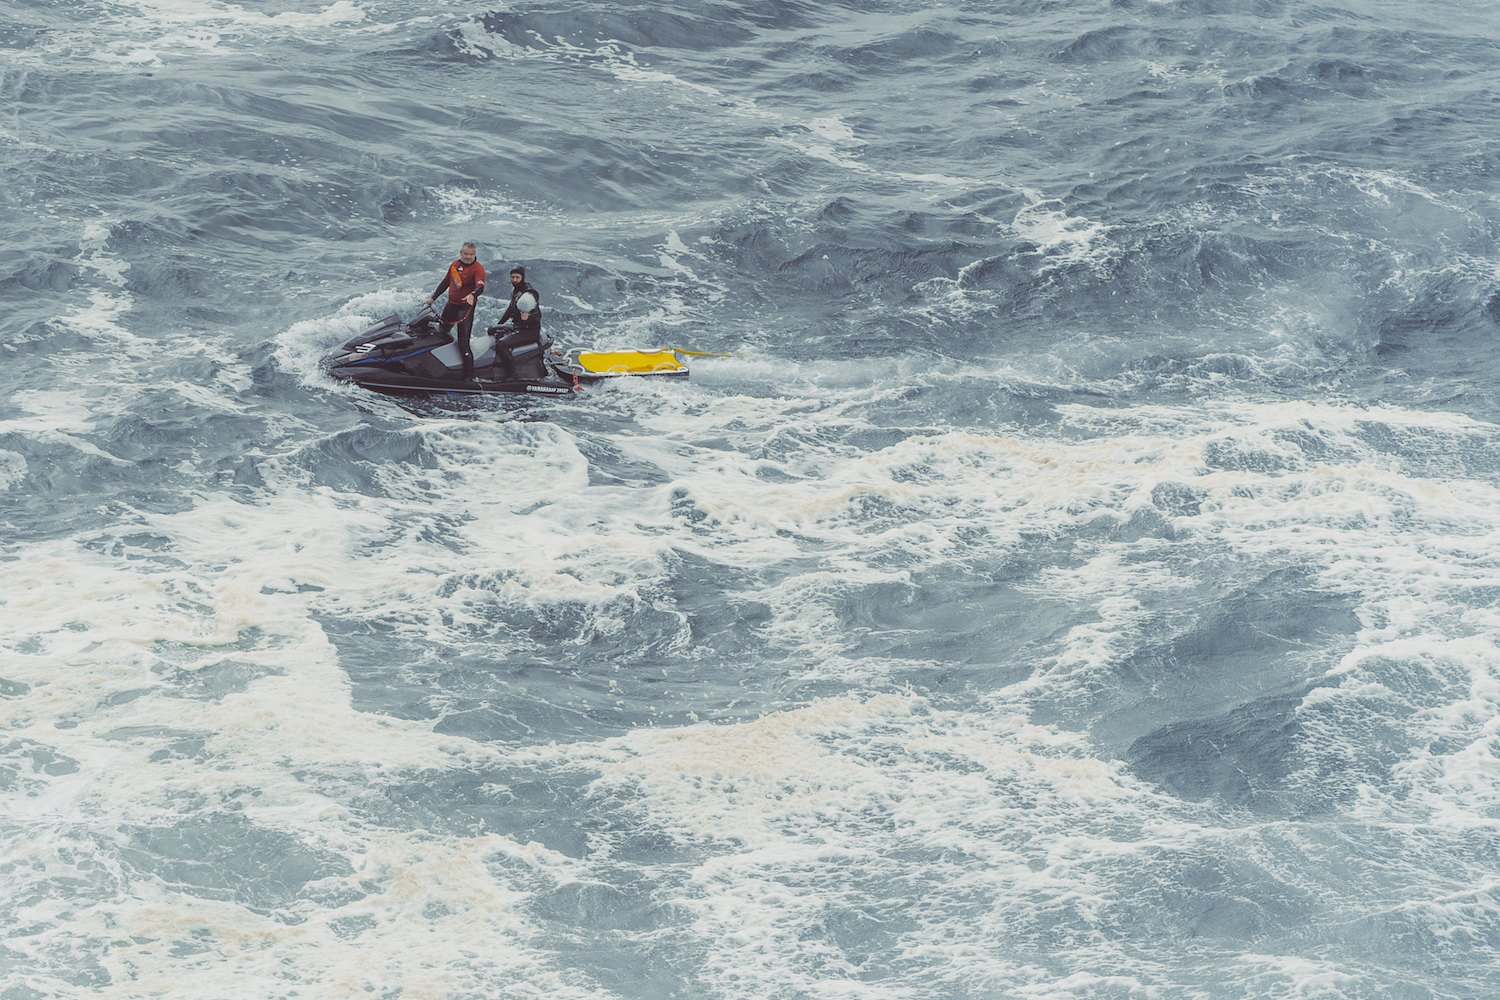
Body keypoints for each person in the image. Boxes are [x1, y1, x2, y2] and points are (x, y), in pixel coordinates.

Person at [424, 242, 486, 376]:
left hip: (465, 309)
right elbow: (445, 282)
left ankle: (468, 378)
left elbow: (480, 286)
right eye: (466, 254)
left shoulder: (477, 269)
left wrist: (473, 294)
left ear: (475, 254)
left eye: (471, 254)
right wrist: (433, 298)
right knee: (440, 334)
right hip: (451, 305)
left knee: (463, 343)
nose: (469, 257)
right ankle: (436, 367)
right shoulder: (454, 265)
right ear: (461, 253)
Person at [489, 266, 543, 378]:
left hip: (529, 332)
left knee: (501, 344)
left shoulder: (529, 294)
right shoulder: (515, 291)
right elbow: (510, 309)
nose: (514, 280)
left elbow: (538, 315)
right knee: (491, 330)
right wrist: (499, 324)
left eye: (517, 277)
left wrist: (529, 315)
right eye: (512, 277)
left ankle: (512, 373)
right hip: (517, 327)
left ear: (522, 277)